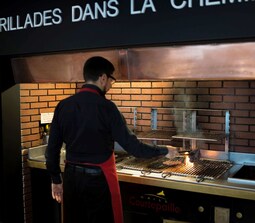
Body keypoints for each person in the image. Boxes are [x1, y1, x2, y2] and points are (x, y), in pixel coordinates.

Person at [45, 56, 178, 223]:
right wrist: (165, 150)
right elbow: (133, 147)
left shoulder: (63, 105)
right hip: (99, 181)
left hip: (71, 179)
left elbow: (51, 150)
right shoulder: (107, 108)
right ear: (103, 78)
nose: (109, 85)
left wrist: (56, 180)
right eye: (110, 80)